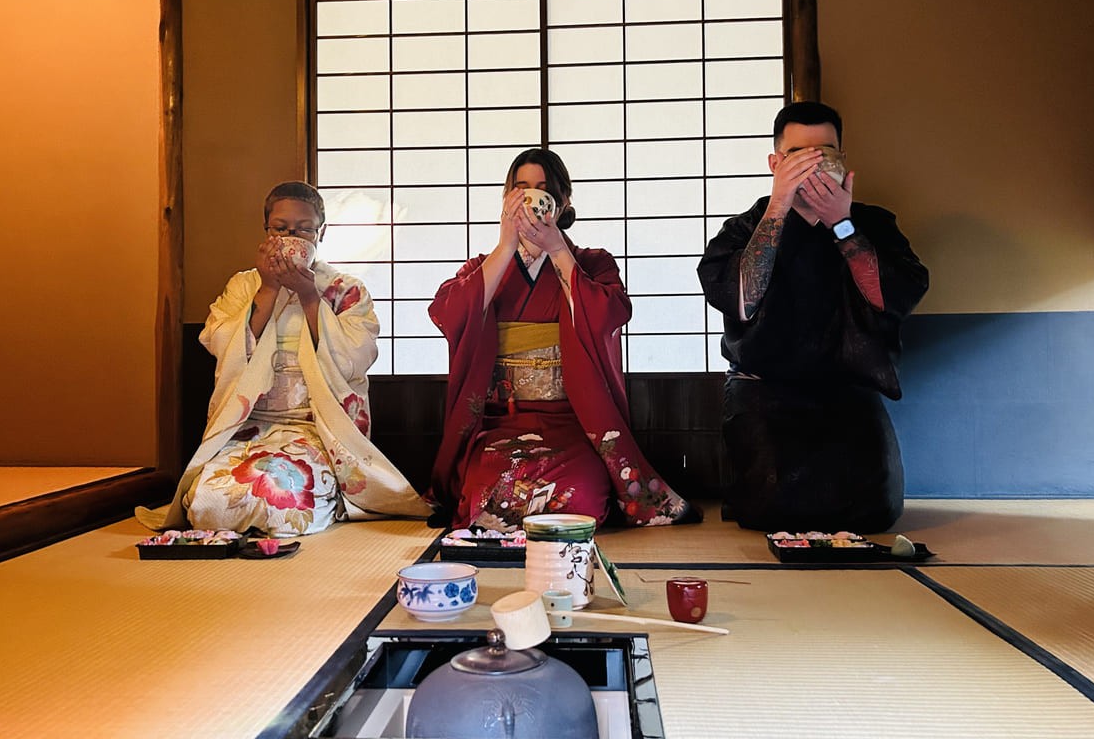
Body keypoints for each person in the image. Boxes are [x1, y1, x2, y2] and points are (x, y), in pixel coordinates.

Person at [138, 181, 430, 537]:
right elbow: (220, 342)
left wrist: (309, 296)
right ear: (266, 231)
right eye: (280, 228)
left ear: (321, 232)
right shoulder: (244, 286)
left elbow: (355, 357)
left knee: (284, 498)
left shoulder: (346, 290)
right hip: (249, 425)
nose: (291, 237)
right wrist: (269, 287)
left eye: (303, 229)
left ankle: (324, 499)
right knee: (205, 501)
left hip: (316, 428)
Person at [428, 148, 697, 531]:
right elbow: (447, 312)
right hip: (504, 423)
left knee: (580, 496)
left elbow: (611, 313)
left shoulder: (593, 263)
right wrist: (505, 248)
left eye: (543, 188)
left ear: (563, 200)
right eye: (521, 188)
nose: (531, 198)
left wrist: (557, 250)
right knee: (488, 494)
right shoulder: (484, 266)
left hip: (574, 425)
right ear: (507, 199)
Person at [697, 101, 928, 533]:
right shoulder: (744, 228)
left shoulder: (872, 223)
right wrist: (779, 206)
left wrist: (842, 223)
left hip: (848, 390)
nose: (813, 164)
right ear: (775, 163)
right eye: (798, 155)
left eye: (825, 153)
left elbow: (891, 297)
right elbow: (742, 300)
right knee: (771, 509)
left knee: (874, 511)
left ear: (843, 158)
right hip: (765, 391)